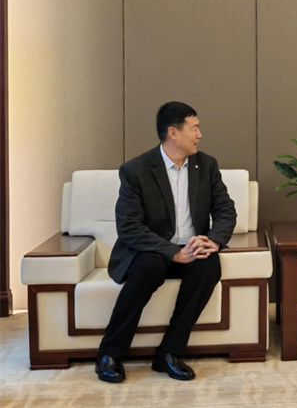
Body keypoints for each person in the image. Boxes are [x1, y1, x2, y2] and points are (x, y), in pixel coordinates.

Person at [95, 101, 237, 383]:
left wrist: (214, 241)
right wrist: (173, 252)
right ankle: (110, 353)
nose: (200, 134)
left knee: (209, 265)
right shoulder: (136, 170)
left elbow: (225, 209)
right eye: (194, 128)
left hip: (191, 248)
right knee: (150, 267)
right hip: (152, 250)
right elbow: (129, 226)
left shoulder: (206, 165)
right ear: (173, 132)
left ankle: (169, 353)